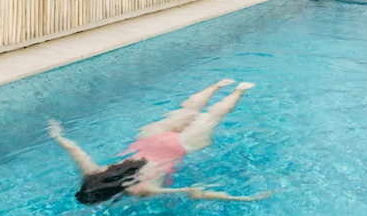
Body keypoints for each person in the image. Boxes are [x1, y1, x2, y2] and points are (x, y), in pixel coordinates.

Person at [48, 79, 272, 204]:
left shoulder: (143, 190)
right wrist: (57, 135)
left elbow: (193, 191)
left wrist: (244, 198)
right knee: (188, 110)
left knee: (212, 117)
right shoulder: (92, 172)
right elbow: (75, 150)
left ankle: (239, 91)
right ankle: (217, 86)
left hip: (180, 145)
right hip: (149, 139)